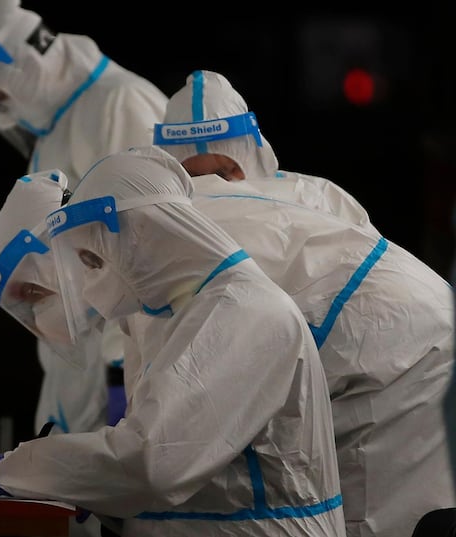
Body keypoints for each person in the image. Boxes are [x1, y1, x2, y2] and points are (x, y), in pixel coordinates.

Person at [0, 146, 346, 537]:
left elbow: (149, 463)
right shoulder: (179, 315)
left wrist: (10, 470)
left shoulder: (245, 312)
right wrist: (91, 489)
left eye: (93, 260)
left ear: (145, 234)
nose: (89, 280)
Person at [153, 69, 456, 537]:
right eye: (198, 174)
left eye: (221, 170)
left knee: (368, 513)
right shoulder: (316, 195)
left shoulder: (303, 202)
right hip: (394, 362)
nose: (214, 185)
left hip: (394, 374)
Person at [0, 0, 167, 440]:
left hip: (122, 351)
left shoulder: (119, 101)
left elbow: (150, 234)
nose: (1, 107)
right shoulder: (56, 129)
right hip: (76, 354)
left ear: (29, 60)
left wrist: (119, 364)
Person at [154, 69, 378, 233]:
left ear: (251, 157)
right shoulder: (156, 226)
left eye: (223, 174)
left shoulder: (315, 198)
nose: (214, 188)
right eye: (194, 178)